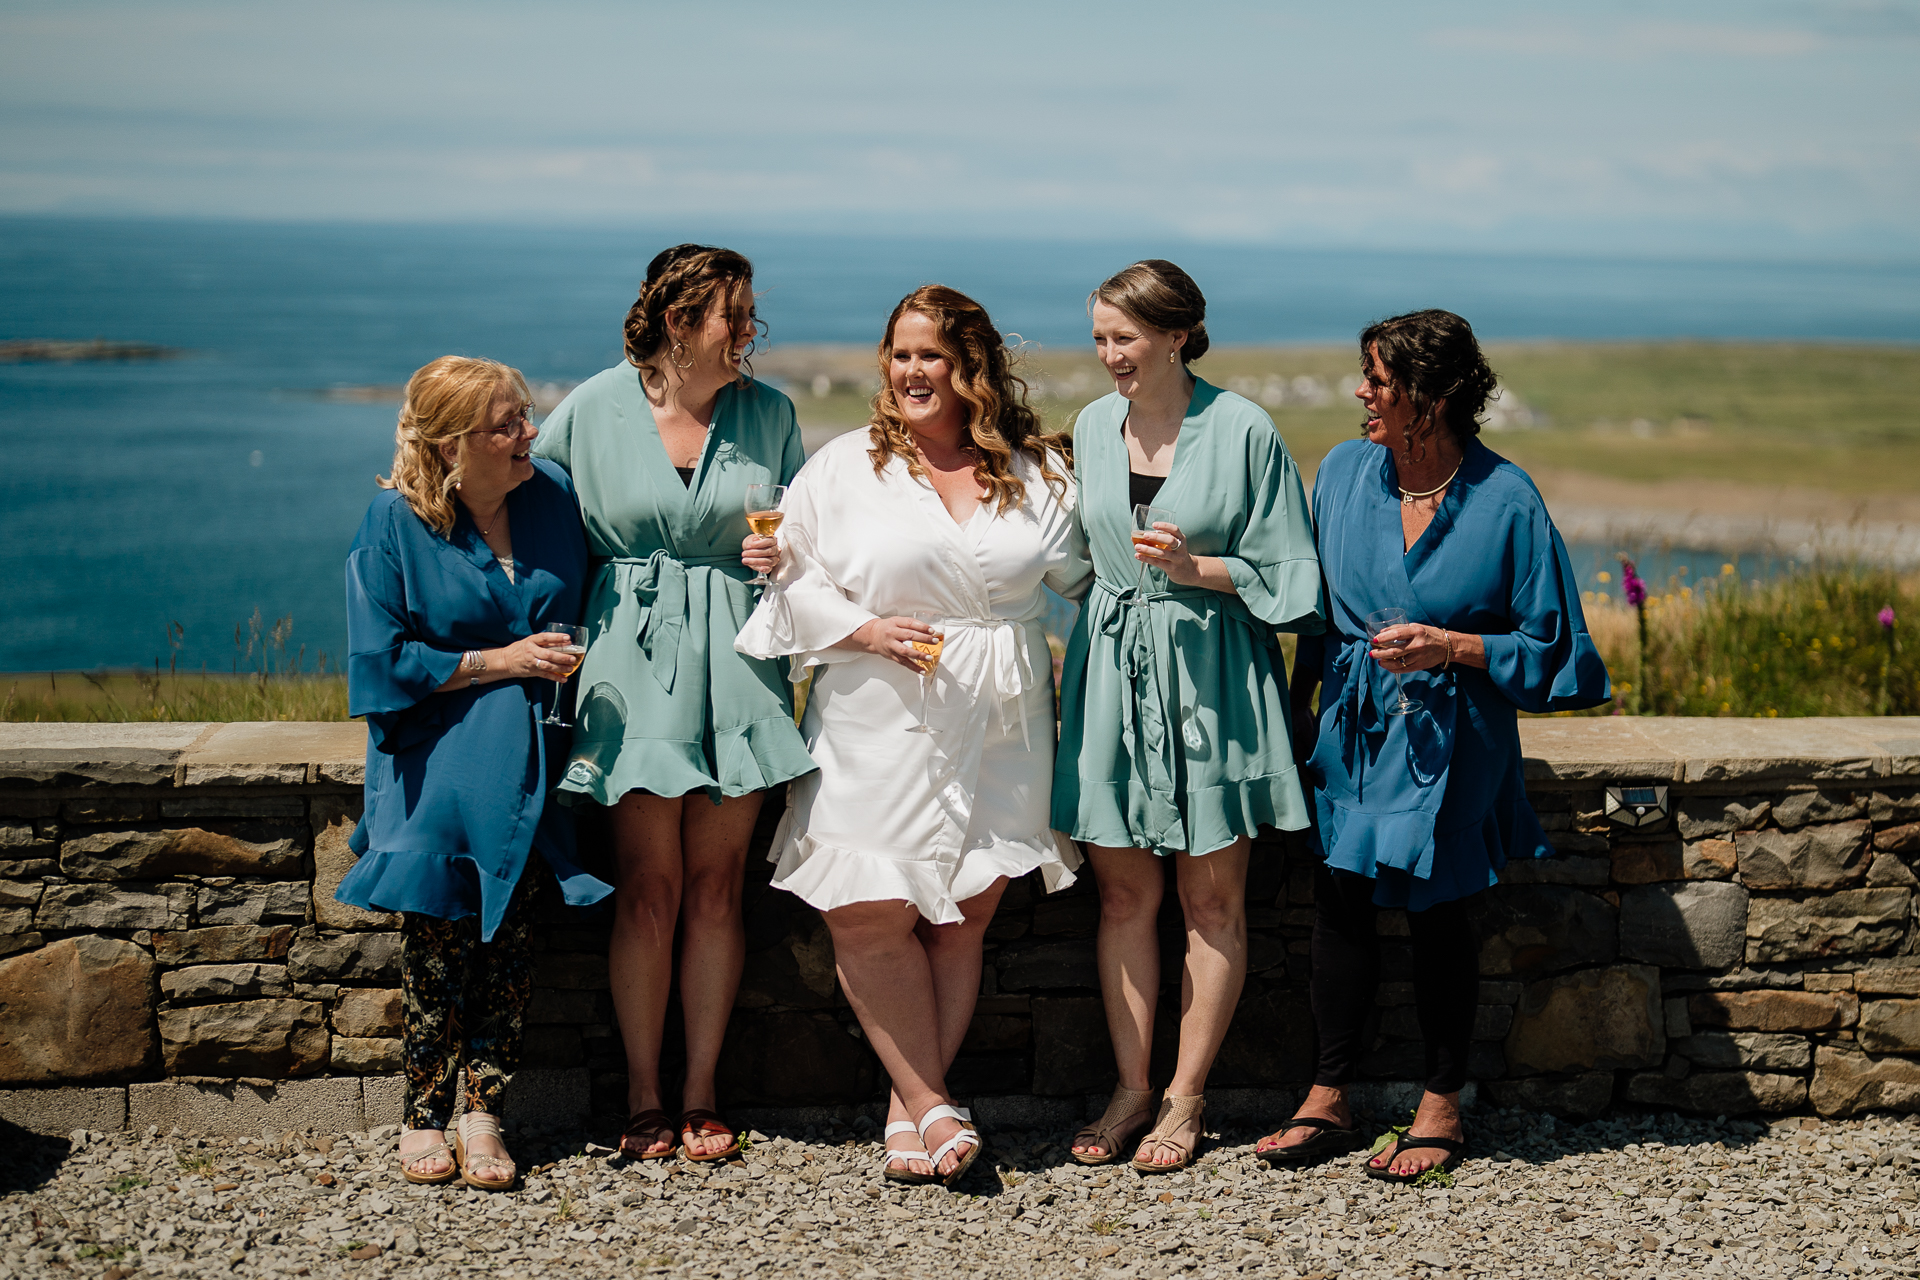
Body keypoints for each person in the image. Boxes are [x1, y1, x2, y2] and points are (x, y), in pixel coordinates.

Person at [736, 285, 1091, 1187]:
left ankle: (910, 1107)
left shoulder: (1038, 471)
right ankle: (936, 1102)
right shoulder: (846, 467)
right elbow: (793, 581)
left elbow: (1091, 578)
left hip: (1003, 716)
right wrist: (862, 632)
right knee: (866, 910)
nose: (911, 372)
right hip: (875, 711)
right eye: (899, 354)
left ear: (971, 364)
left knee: (966, 909)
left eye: (930, 354)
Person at [1256, 309, 1610, 1181]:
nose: (1360, 392)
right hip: (1352, 727)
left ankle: (1442, 1101)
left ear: (1433, 397)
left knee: (1440, 911)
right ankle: (1328, 1095)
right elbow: (1308, 613)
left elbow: (1555, 651)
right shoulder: (1342, 472)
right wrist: (1296, 718)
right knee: (1339, 903)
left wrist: (1452, 647)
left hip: (1457, 738)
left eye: (1378, 380)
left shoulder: (1508, 500)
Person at [533, 245, 816, 1163]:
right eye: (732, 318)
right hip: (630, 665)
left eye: (748, 318)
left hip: (738, 665)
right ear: (675, 321)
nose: (747, 335)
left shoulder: (768, 412)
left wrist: (788, 558)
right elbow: (527, 516)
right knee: (647, 892)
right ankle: (645, 1095)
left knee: (716, 892)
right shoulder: (590, 407)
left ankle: (702, 1092)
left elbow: (811, 537)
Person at [1055, 260, 1323, 1173]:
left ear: (1176, 335)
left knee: (1212, 899)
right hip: (1110, 677)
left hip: (1215, 675)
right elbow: (1071, 559)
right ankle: (1130, 1088)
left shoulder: (1245, 428)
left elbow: (1293, 577)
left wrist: (1196, 571)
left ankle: (1185, 1098)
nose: (1108, 355)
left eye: (1123, 337)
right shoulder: (1091, 428)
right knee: (1124, 895)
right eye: (1099, 337)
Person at [339, 355, 609, 1191]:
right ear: (455, 443)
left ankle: (484, 1111)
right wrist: (501, 661)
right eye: (508, 423)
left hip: (538, 756)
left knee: (513, 943)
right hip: (435, 762)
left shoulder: (553, 498)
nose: (531, 432)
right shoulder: (393, 524)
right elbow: (378, 662)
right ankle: (422, 1115)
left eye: (525, 415)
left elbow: (606, 586)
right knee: (439, 944)